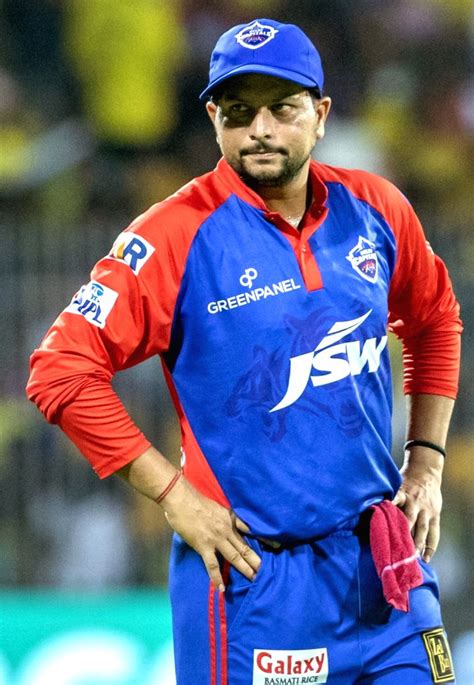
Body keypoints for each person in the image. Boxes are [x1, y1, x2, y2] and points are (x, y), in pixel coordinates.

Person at [27, 18, 462, 685]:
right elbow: (59, 370)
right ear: (212, 117)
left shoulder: (376, 207)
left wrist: (426, 461)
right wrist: (171, 493)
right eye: (237, 111)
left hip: (385, 566)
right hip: (255, 583)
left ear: (320, 115)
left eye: (282, 109)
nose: (260, 128)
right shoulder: (173, 236)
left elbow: (434, 317)